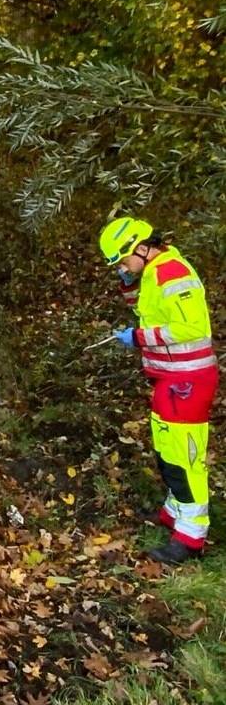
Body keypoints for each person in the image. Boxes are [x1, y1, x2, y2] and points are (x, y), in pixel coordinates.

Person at [99, 216, 218, 564]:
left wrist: (137, 338)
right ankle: (174, 510)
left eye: (122, 260)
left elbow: (191, 327)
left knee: (184, 459)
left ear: (140, 246)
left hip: (188, 380)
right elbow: (148, 311)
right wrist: (127, 285)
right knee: (166, 449)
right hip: (169, 379)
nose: (122, 266)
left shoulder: (173, 273)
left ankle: (191, 537)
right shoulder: (153, 271)